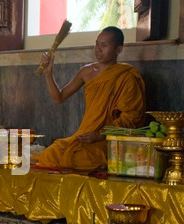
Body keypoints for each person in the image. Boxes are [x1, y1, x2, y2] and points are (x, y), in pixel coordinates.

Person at [35, 26, 146, 171]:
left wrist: (100, 135)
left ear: (118, 50)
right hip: (84, 136)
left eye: (104, 45)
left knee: (80, 158)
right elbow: (58, 98)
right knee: (50, 154)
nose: (98, 49)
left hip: (108, 140)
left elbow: (132, 119)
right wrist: (48, 73)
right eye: (97, 44)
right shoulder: (86, 72)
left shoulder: (127, 77)